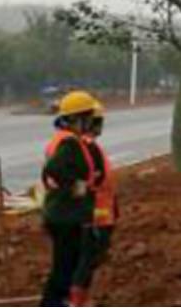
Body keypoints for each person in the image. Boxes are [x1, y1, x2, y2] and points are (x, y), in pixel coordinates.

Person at [40, 90, 99, 307]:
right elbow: (54, 168)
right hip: (66, 215)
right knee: (64, 268)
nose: (91, 123)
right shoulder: (70, 143)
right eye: (89, 118)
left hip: (62, 214)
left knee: (65, 266)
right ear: (76, 119)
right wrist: (76, 185)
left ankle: (56, 302)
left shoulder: (67, 139)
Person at [68, 102, 117, 307]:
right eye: (98, 121)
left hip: (101, 215)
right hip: (93, 218)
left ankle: (79, 298)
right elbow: (81, 182)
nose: (100, 125)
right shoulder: (86, 148)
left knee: (90, 260)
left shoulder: (89, 146)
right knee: (86, 261)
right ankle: (76, 301)